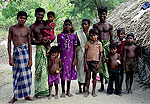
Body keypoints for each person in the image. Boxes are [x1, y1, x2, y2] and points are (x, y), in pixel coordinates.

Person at [8, 11, 32, 103]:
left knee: (26, 75)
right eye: (21, 18)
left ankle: (26, 95)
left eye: (24, 18)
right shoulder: (12, 28)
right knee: (16, 75)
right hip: (16, 53)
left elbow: (29, 44)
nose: (22, 20)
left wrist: (30, 59)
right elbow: (9, 43)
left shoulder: (27, 29)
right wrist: (10, 58)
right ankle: (15, 96)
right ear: (17, 18)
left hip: (25, 53)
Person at [30, 7, 49, 98]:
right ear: (35, 14)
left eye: (42, 15)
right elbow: (31, 41)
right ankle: (37, 91)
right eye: (39, 15)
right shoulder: (32, 27)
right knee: (38, 70)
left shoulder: (45, 24)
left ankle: (45, 91)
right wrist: (41, 42)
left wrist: (49, 41)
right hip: (39, 49)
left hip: (47, 48)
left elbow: (51, 34)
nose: (40, 17)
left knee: (46, 70)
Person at [93, 6, 113, 92]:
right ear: (98, 15)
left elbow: (111, 37)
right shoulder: (96, 25)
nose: (102, 16)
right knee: (100, 67)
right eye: (100, 14)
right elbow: (93, 37)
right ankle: (102, 86)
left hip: (107, 47)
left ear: (106, 15)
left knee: (109, 66)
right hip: (99, 47)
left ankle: (110, 85)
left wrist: (112, 49)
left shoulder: (109, 25)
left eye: (104, 14)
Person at [57, 19, 77, 97]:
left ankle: (68, 91)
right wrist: (58, 58)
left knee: (69, 74)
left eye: (69, 25)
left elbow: (75, 48)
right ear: (63, 26)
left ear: (71, 26)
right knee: (62, 74)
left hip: (71, 58)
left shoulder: (73, 36)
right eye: (66, 25)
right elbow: (58, 48)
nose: (67, 26)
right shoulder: (60, 36)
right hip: (62, 58)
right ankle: (63, 91)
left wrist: (75, 59)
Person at [84, 28, 103, 97]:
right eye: (91, 36)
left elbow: (101, 54)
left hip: (95, 62)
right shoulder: (88, 43)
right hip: (88, 62)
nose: (93, 37)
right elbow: (85, 54)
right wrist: (85, 63)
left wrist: (99, 63)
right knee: (88, 77)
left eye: (94, 35)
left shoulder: (99, 44)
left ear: (97, 35)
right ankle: (87, 91)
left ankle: (93, 91)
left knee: (94, 77)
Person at [76, 19, 90, 94]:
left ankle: (85, 87)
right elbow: (76, 45)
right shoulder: (78, 33)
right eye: (83, 24)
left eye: (86, 24)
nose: (84, 26)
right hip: (80, 53)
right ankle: (80, 88)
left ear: (89, 25)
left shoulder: (91, 34)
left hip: (88, 54)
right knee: (79, 70)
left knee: (86, 71)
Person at [115, 28, 127, 93]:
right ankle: (117, 88)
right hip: (117, 59)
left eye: (122, 34)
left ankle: (120, 88)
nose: (120, 36)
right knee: (117, 73)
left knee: (121, 74)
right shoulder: (116, 42)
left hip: (123, 60)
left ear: (124, 35)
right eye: (119, 34)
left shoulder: (126, 42)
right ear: (117, 35)